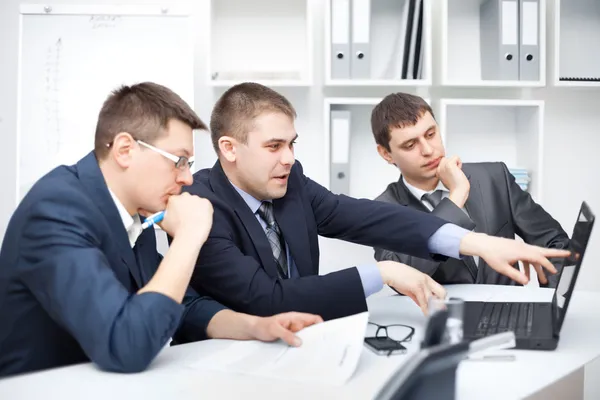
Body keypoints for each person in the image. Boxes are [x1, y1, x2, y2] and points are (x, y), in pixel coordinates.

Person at [0, 82, 322, 378]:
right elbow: (126, 345)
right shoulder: (57, 211)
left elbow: (179, 304)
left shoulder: (131, 210)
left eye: (189, 165)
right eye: (178, 161)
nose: (187, 179)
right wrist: (190, 236)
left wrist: (254, 326)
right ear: (125, 150)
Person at [182, 82, 569, 321]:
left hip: (304, 342)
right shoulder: (200, 203)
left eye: (291, 144)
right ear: (229, 149)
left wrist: (476, 242)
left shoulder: (291, 181)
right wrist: (381, 274)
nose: (289, 158)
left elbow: (369, 218)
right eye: (274, 146)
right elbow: (265, 298)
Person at [370, 92, 570, 287]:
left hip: (506, 313)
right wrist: (455, 198)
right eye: (410, 144)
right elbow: (401, 276)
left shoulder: (494, 177)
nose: (428, 150)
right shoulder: (383, 209)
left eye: (431, 134)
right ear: (386, 153)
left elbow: (555, 242)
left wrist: (549, 302)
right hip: (442, 317)